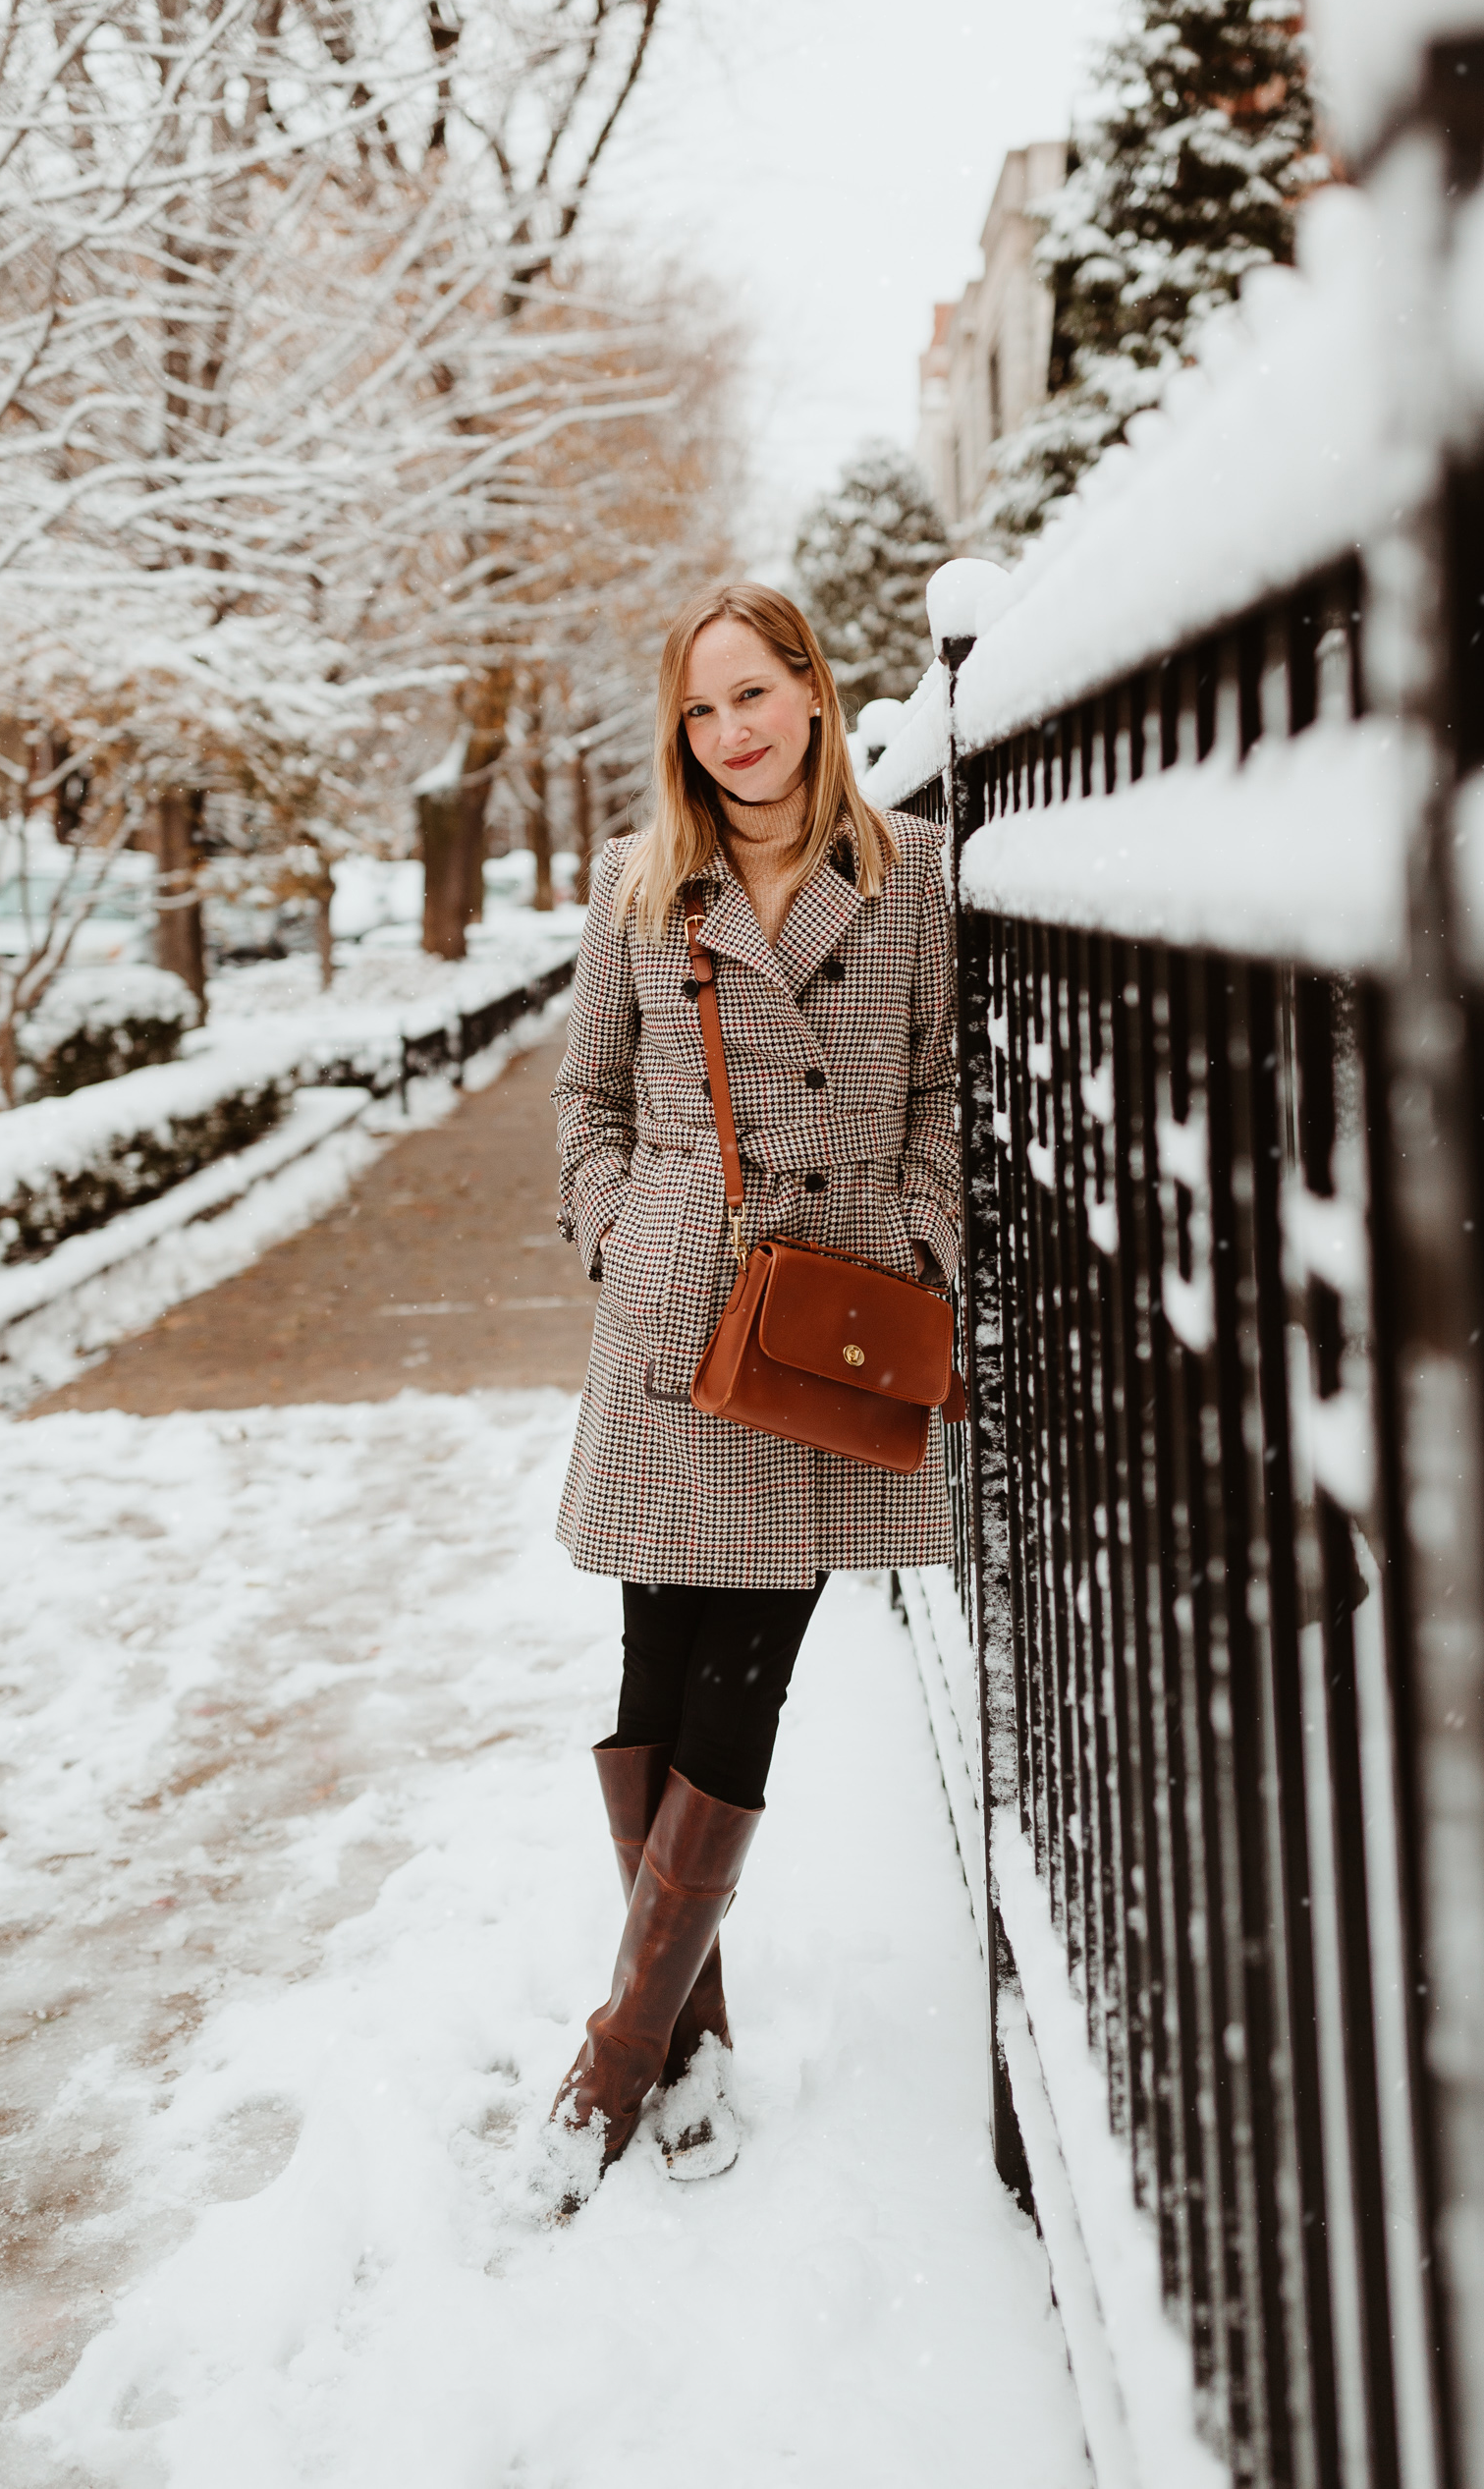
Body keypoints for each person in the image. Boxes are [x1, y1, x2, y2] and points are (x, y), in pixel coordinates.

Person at [541, 580, 960, 2205]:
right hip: (671, 1314)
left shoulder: (908, 874)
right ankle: (677, 2041)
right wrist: (616, 1227)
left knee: (749, 1674)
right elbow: (586, 1098)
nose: (733, 734)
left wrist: (917, 1232)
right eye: (702, 710)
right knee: (659, 1660)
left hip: (823, 1325)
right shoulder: (642, 884)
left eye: (755, 695)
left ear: (811, 689)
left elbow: (937, 1085)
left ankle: (617, 2055)